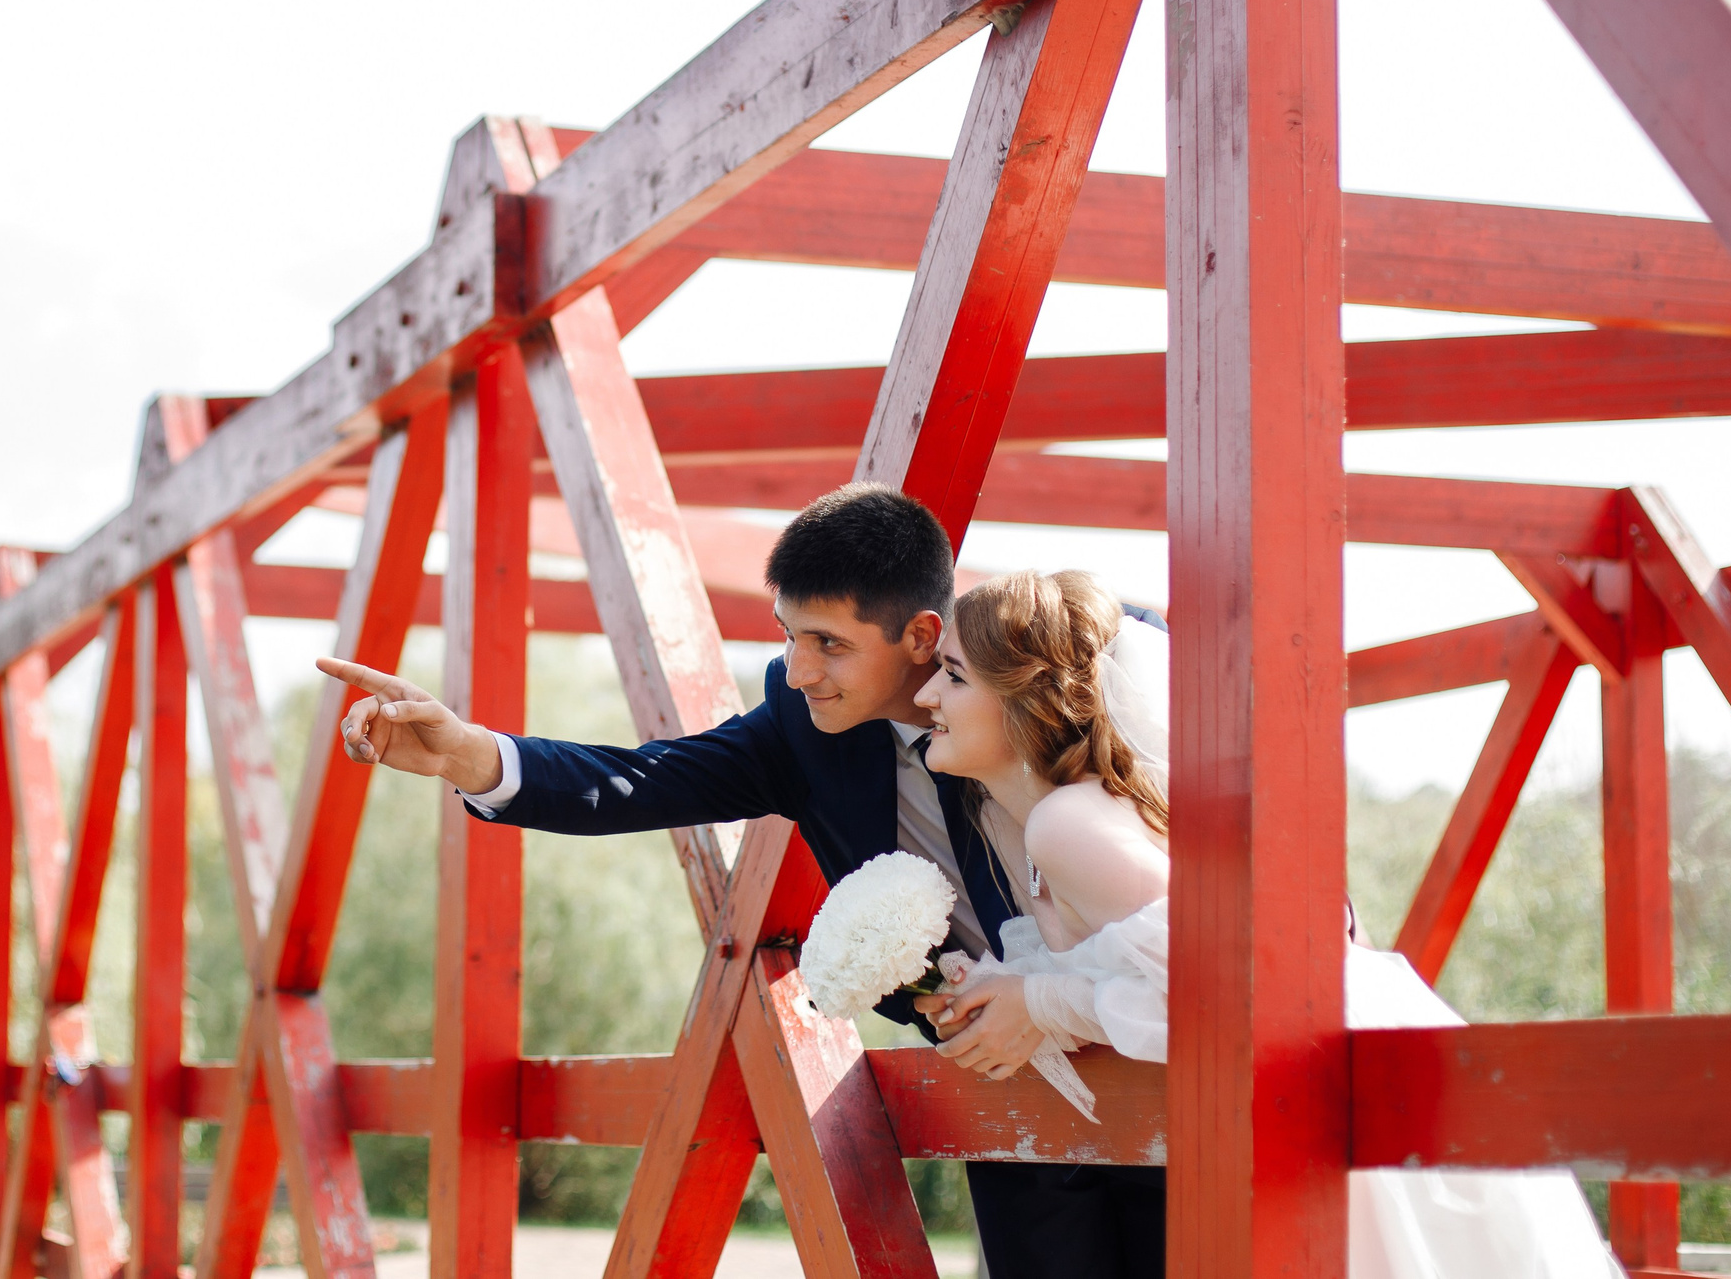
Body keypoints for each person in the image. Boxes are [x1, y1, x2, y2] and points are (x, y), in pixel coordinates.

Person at [317, 483, 1158, 1279]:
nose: (798, 668)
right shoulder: (805, 727)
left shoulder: (1072, 681)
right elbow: (647, 779)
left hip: (1163, 1056)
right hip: (1006, 1086)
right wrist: (473, 755)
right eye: (789, 634)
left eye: (830, 642)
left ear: (920, 634)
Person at [914, 567, 1620, 1279]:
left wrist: (1039, 1002)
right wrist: (1008, 995)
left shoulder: (1067, 824)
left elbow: (1242, 986)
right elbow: (1156, 969)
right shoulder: (1059, 817)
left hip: (1329, 1086)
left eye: (954, 676)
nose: (926, 696)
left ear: (1026, 697)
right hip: (1331, 1083)